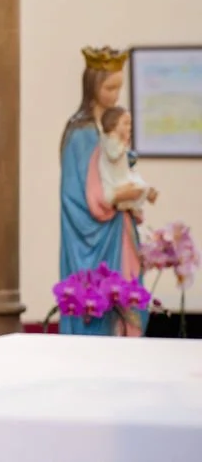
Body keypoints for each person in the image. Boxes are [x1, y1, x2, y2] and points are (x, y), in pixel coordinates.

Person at [59, 46, 152, 336]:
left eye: (118, 88)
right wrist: (111, 199)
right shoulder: (82, 132)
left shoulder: (109, 127)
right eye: (109, 87)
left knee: (129, 303)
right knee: (98, 305)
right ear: (92, 85)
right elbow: (75, 195)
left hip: (120, 230)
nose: (114, 95)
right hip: (94, 236)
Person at [98, 106, 156, 218]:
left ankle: (143, 199)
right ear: (113, 124)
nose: (129, 127)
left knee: (139, 185)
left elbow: (129, 165)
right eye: (125, 123)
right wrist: (123, 143)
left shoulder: (119, 142)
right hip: (115, 179)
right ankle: (136, 204)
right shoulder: (111, 140)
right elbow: (113, 155)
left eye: (129, 124)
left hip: (123, 175)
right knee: (136, 189)